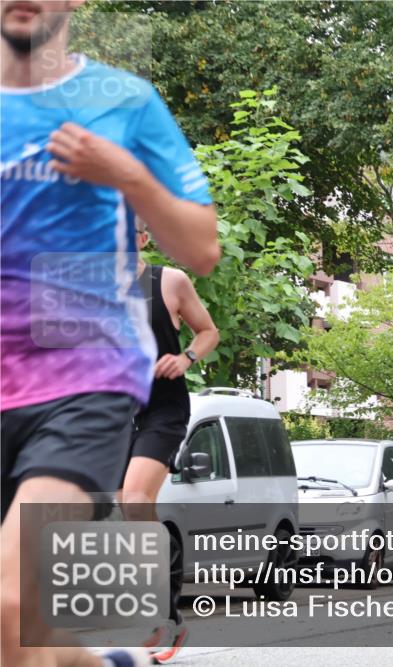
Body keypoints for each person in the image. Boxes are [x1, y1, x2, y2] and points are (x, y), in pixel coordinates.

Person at [1, 3, 219, 667]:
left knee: (10, 600)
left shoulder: (125, 100)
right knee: (25, 624)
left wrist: (124, 173)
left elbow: (203, 247)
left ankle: (150, 598)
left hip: (87, 383)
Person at [119, 219, 219, 662]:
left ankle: (166, 613)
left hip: (162, 409)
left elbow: (208, 331)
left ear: (142, 238)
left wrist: (186, 357)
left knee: (135, 499)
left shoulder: (170, 281)